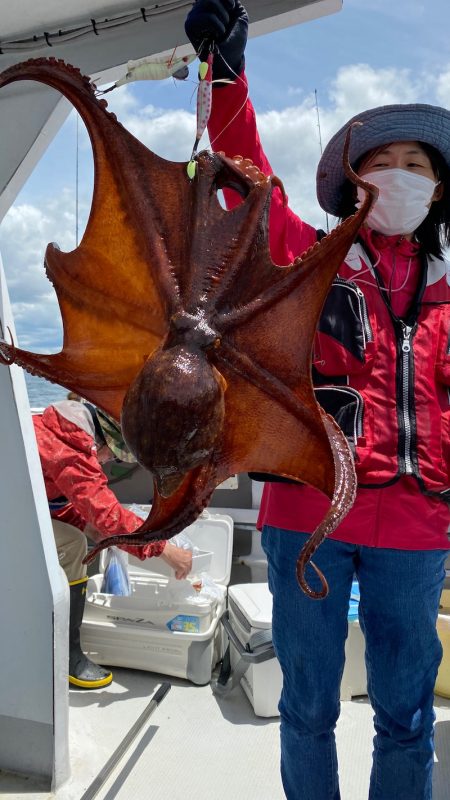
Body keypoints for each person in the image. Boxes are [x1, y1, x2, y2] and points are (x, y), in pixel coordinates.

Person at [185, 3, 450, 798]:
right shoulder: (307, 255)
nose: (398, 173)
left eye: (415, 162)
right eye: (382, 162)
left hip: (419, 529)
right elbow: (246, 177)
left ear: (438, 188)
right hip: (308, 517)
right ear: (354, 184)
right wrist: (226, 74)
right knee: (306, 708)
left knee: (407, 714)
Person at [33, 398, 192, 689]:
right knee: (72, 545)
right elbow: (107, 514)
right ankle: (67, 657)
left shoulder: (56, 431)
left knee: (76, 536)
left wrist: (87, 526)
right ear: (104, 442)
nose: (107, 462)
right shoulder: (70, 448)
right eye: (114, 456)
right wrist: (165, 549)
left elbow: (48, 500)